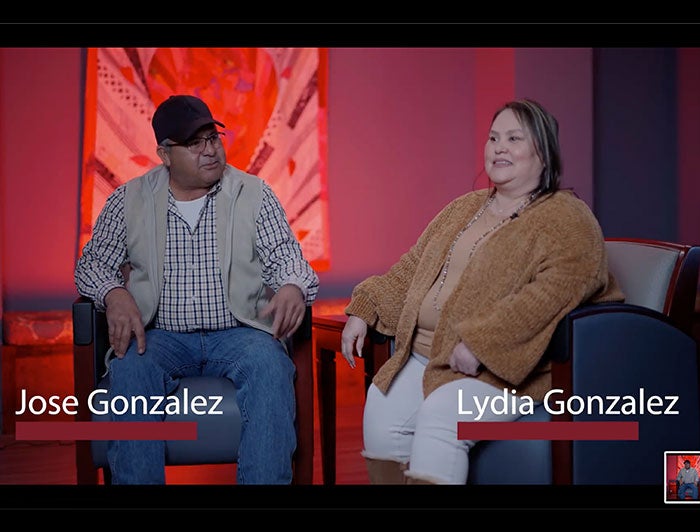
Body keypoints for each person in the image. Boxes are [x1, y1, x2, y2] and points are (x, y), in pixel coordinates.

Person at [340, 98, 625, 485]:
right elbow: (414, 266)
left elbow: (553, 293)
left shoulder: (567, 217)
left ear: (543, 153)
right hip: (428, 357)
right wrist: (366, 305)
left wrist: (482, 343)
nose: (499, 147)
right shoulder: (464, 207)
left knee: (443, 414)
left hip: (505, 373)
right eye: (493, 138)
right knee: (381, 407)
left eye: (513, 138)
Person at [74, 94, 319, 484]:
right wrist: (113, 293)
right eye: (194, 143)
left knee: (271, 364)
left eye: (213, 139)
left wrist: (292, 285)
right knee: (131, 369)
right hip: (160, 336)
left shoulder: (254, 194)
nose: (209, 151)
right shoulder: (128, 200)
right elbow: (91, 266)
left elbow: (288, 259)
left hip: (240, 333)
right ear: (165, 154)